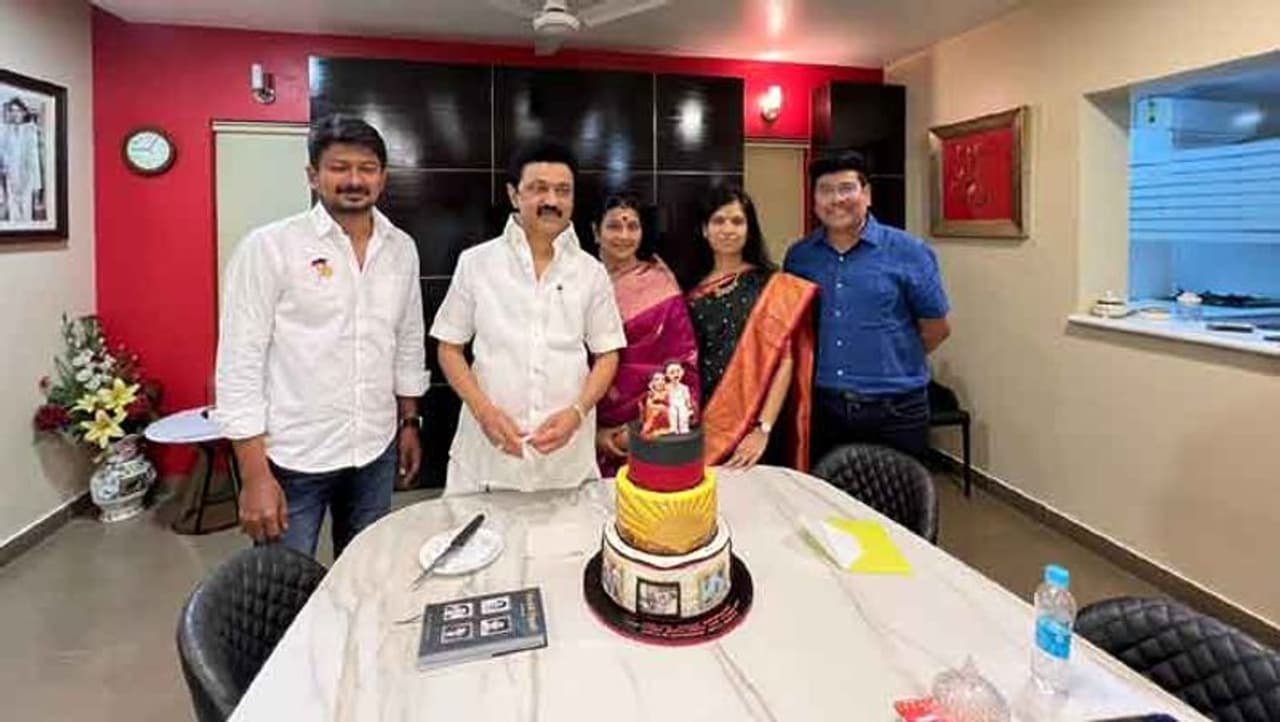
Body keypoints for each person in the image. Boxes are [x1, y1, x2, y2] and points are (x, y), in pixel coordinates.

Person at [214, 115, 428, 557]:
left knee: (363, 570)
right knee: (284, 583)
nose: (354, 180)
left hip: (374, 447)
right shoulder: (269, 248)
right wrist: (254, 476)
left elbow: (407, 340)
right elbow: (239, 364)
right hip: (294, 455)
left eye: (367, 168)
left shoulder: (401, 248)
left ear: (383, 178)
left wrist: (409, 423)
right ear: (313, 176)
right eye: (339, 167)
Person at [431, 141, 625, 494]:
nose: (551, 200)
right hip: (487, 458)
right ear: (513, 194)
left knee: (569, 532)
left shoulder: (591, 272)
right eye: (538, 188)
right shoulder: (476, 263)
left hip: (565, 460)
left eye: (563, 191)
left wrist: (578, 413)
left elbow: (608, 354)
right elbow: (449, 348)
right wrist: (483, 412)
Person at [784, 151, 951, 463]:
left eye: (846, 188)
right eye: (825, 190)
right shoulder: (800, 257)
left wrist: (890, 358)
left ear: (868, 194)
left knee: (898, 493)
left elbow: (936, 329)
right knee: (824, 491)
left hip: (896, 410)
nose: (836, 199)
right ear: (814, 199)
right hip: (824, 406)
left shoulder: (909, 251)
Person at [685, 186, 818, 470]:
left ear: (749, 230)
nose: (728, 230)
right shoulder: (689, 288)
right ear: (705, 230)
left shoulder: (771, 285)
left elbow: (785, 361)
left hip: (755, 423)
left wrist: (763, 428)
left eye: (737, 221)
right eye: (718, 221)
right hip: (704, 418)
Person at [590, 194, 699, 475]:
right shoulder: (578, 282)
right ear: (596, 232)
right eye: (614, 226)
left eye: (633, 227)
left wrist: (638, 428)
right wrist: (591, 432)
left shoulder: (660, 285)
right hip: (579, 429)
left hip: (647, 429)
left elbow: (683, 362)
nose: (624, 236)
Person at [1, 97, 43, 223]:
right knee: (13, 216)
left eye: (18, 111)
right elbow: (3, 154)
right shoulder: (6, 131)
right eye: (12, 111)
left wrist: (37, 185)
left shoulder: (30, 130)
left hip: (27, 178)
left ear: (24, 113)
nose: (15, 114)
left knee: (26, 215)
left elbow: (34, 158)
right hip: (11, 179)